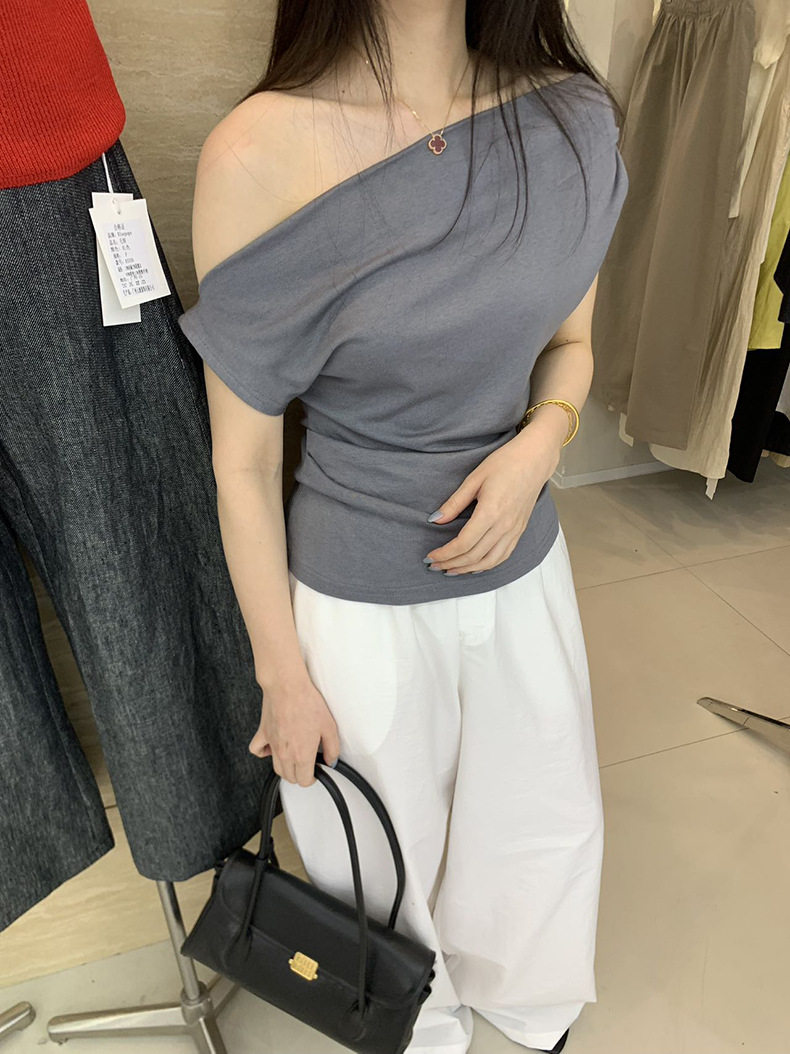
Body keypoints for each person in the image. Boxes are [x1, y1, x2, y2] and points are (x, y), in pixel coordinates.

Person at [177, 1, 629, 1051]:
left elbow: (571, 346)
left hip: (524, 570)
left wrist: (539, 445)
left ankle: (529, 1001)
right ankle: (414, 1025)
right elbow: (242, 462)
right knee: (376, 853)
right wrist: (282, 677)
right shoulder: (255, 154)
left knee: (540, 817)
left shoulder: (571, 120)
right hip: (356, 598)